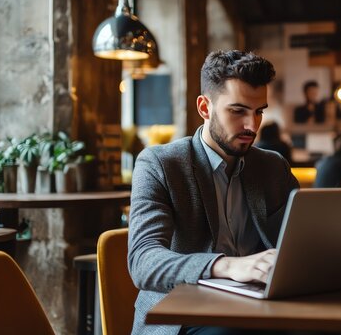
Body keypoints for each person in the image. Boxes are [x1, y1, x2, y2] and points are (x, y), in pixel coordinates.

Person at [128, 50, 300, 335]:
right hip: (183, 314)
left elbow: (301, 242)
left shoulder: (273, 167)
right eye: (238, 111)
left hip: (261, 306)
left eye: (259, 111)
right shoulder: (160, 164)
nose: (252, 126)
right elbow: (143, 262)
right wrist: (227, 266)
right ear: (205, 108)